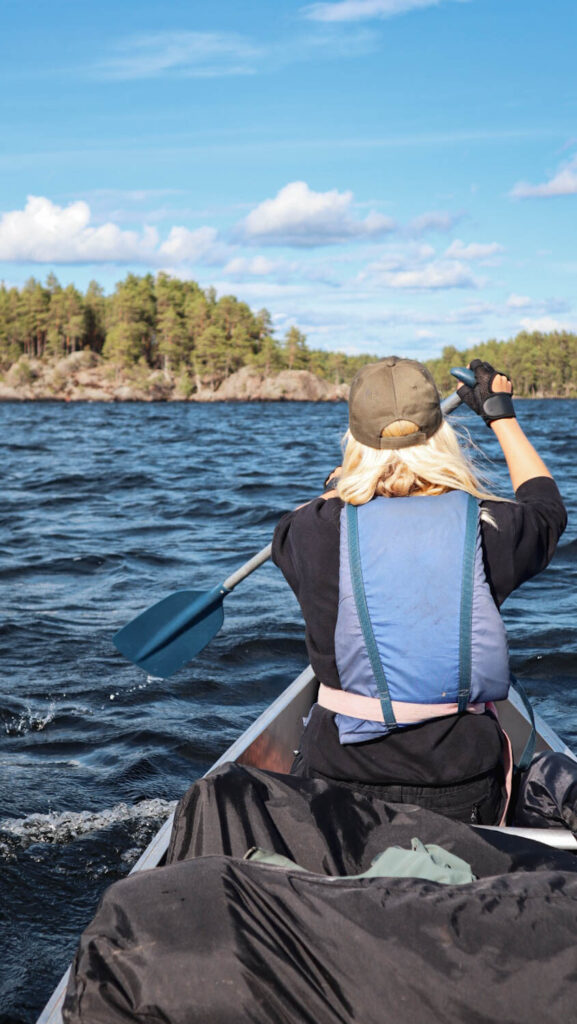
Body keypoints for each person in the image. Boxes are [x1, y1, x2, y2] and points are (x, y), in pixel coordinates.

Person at [272, 356, 567, 825]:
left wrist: (351, 477)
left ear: (354, 440)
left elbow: (306, 518)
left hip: (337, 776)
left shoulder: (306, 532)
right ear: (440, 434)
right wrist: (501, 416)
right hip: (461, 782)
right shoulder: (493, 524)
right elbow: (547, 509)